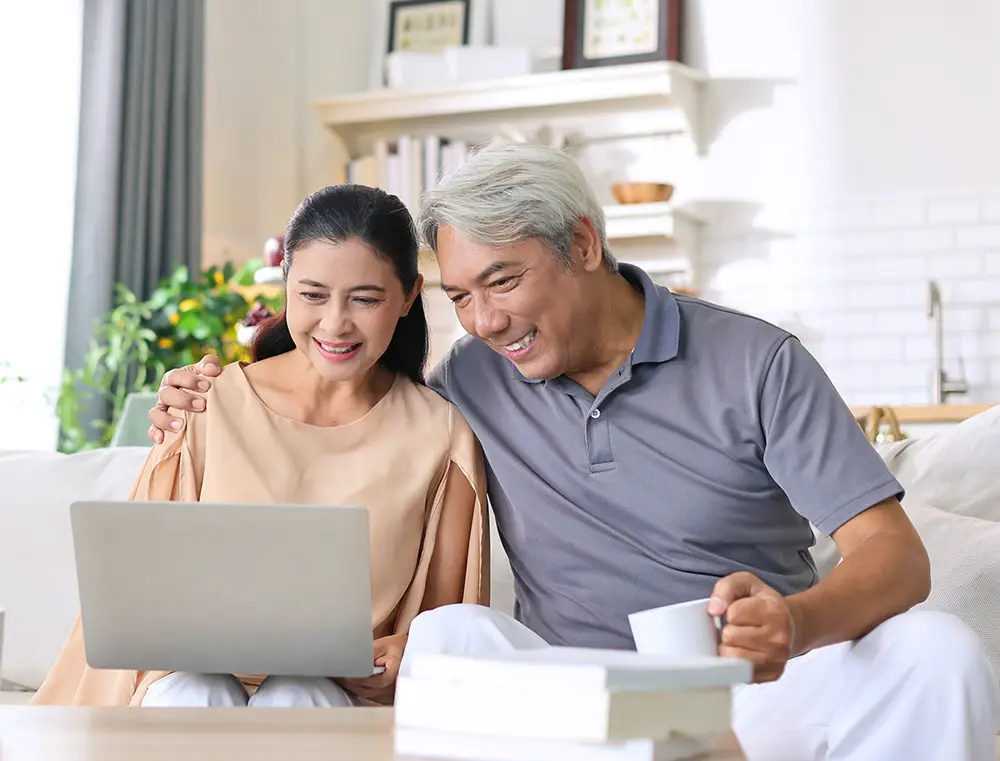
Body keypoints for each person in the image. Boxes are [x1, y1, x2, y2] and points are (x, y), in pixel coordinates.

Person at [149, 143, 998, 759]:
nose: (483, 321)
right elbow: (345, 402)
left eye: (504, 282)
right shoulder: (470, 382)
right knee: (450, 636)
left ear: (584, 245)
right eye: (460, 297)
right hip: (574, 692)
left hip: (754, 684)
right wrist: (204, 390)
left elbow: (896, 556)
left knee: (939, 651)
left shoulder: (757, 361)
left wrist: (794, 622)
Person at [32, 184, 488, 708]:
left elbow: (444, 623)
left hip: (338, 697)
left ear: (409, 296)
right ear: (285, 287)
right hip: (192, 682)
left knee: (301, 693)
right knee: (195, 690)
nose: (335, 323)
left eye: (365, 298)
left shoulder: (441, 434)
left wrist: (406, 652)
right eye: (312, 295)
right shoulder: (205, 404)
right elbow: (140, 603)